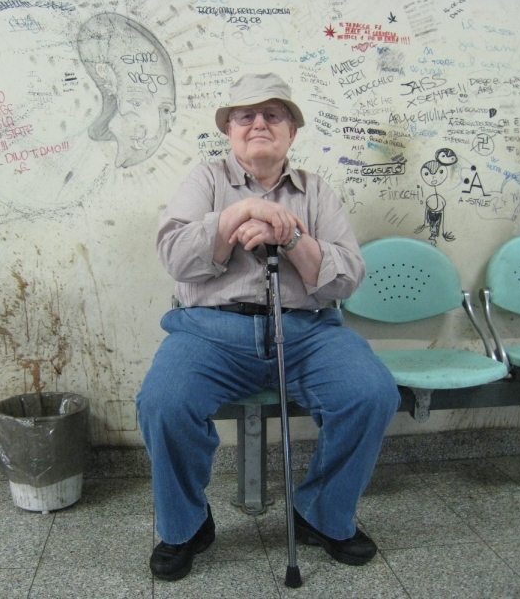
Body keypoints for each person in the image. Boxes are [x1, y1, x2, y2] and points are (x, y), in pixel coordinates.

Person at [136, 73, 400, 582]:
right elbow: (173, 254)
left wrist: (291, 232)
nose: (258, 123)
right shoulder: (205, 180)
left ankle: (322, 511)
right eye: (245, 115)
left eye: (273, 115)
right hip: (210, 332)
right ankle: (186, 525)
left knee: (370, 393)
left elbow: (347, 277)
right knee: (163, 403)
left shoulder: (317, 191)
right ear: (230, 130)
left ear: (292, 132)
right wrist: (240, 212)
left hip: (308, 331)